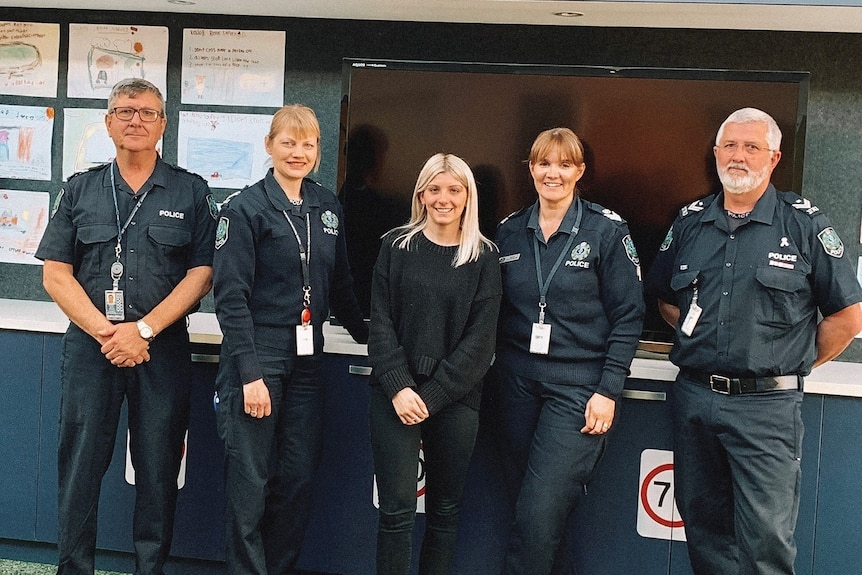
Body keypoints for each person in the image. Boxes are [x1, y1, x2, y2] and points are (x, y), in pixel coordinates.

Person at [646, 107, 862, 575]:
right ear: (716, 152)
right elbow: (665, 300)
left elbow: (847, 316)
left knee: (765, 542)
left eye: (751, 147)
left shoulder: (803, 224)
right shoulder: (689, 222)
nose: (738, 156)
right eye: (730, 145)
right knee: (705, 533)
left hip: (766, 411)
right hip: (695, 400)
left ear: (774, 157)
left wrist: (795, 364)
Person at [35, 78, 217, 575]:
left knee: (159, 470)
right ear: (109, 121)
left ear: (163, 124)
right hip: (93, 349)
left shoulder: (190, 190)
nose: (135, 120)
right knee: (80, 468)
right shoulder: (80, 189)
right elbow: (55, 273)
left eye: (147, 112)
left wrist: (144, 331)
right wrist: (108, 333)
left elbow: (201, 274)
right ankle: (74, 569)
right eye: (125, 111)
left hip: (162, 351)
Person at [212, 104, 368, 575]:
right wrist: (250, 375)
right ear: (269, 146)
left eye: (308, 144)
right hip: (257, 354)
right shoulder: (244, 209)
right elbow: (231, 298)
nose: (298, 153)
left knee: (297, 479)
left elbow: (341, 285)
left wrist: (374, 338)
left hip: (307, 360)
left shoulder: (326, 206)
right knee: (250, 481)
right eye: (288, 142)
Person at [490, 127, 645, 575]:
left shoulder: (606, 231)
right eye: (543, 163)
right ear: (531, 169)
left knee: (539, 511)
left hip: (578, 391)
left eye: (563, 164)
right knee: (531, 511)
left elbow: (628, 316)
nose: (551, 173)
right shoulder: (509, 231)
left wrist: (608, 389)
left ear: (579, 171)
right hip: (515, 385)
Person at [367, 153, 502, 575]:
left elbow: (481, 342)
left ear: (468, 197)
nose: (444, 199)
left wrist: (433, 394)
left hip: (455, 398)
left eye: (454, 190)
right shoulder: (395, 246)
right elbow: (381, 322)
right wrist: (400, 387)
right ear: (421, 194)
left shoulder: (484, 258)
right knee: (396, 512)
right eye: (435, 189)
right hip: (395, 396)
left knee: (445, 510)